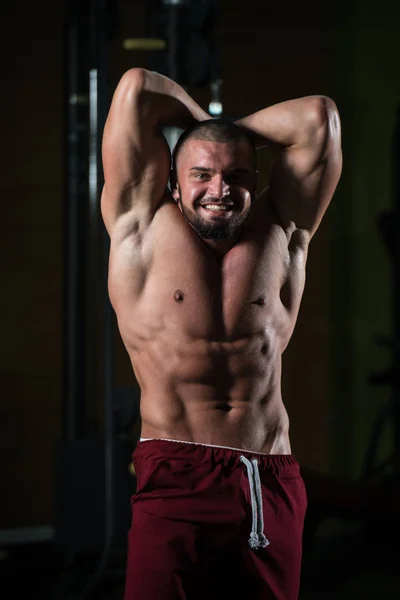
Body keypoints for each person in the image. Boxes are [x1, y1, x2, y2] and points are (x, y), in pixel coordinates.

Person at [101, 68, 342, 600]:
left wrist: (224, 138)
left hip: (268, 474)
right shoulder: (137, 225)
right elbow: (138, 87)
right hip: (176, 473)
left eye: (235, 175)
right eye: (202, 174)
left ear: (254, 181)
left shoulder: (284, 230)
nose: (219, 189)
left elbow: (319, 118)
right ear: (172, 181)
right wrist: (205, 131)